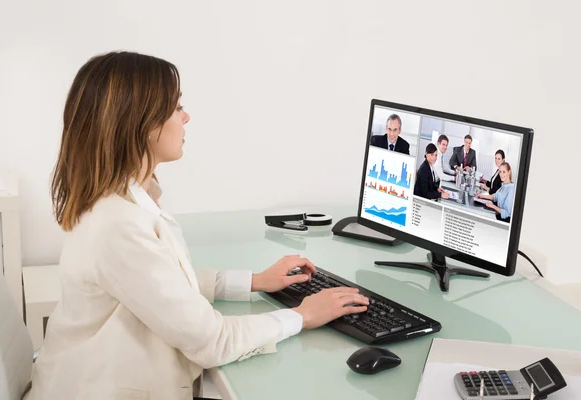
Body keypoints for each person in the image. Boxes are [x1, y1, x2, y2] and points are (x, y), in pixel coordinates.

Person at [25, 51, 369, 400]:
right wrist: (302, 316)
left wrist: (255, 282)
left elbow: (164, 285)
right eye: (176, 108)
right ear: (140, 124)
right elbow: (212, 341)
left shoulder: (126, 200)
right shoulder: (118, 225)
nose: (186, 116)